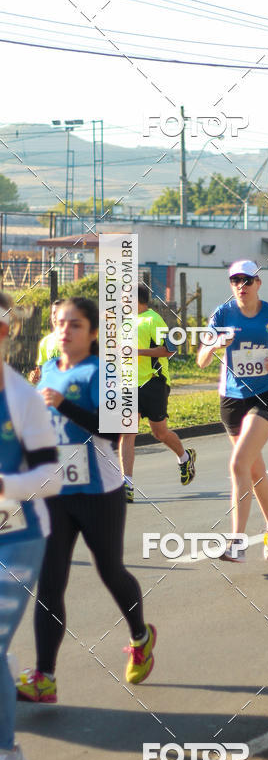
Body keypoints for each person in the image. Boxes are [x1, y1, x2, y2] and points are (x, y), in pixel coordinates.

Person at [17, 298, 156, 704]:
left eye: (75, 324)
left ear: (93, 332)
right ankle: (44, 677)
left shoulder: (102, 372)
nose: (65, 330)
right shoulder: (47, 370)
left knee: (110, 570)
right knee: (50, 583)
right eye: (60, 323)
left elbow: (113, 432)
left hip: (99, 491)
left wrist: (65, 405)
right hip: (56, 491)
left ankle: (140, 636)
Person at [197, 260, 268, 562]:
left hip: (266, 396)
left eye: (247, 280)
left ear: (258, 283)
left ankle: (237, 543)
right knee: (253, 470)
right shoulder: (222, 314)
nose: (241, 286)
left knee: (238, 464)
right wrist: (216, 344)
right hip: (232, 400)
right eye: (235, 281)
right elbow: (201, 360)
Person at [0, 292, 61, 760]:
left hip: (18, 536)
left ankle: (8, 754)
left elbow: (50, 477)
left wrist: (3, 485)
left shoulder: (21, 397)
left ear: (4, 333)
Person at [119, 283, 196, 503]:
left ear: (136, 299)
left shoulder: (153, 320)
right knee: (127, 432)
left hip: (154, 382)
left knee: (159, 432)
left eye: (125, 297)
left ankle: (185, 457)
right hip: (129, 384)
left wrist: (138, 352)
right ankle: (126, 484)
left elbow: (170, 349)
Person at [28, 299, 63, 385]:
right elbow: (42, 373)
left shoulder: (77, 339)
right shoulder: (45, 342)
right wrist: (35, 377)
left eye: (59, 313)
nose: (55, 316)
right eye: (54, 313)